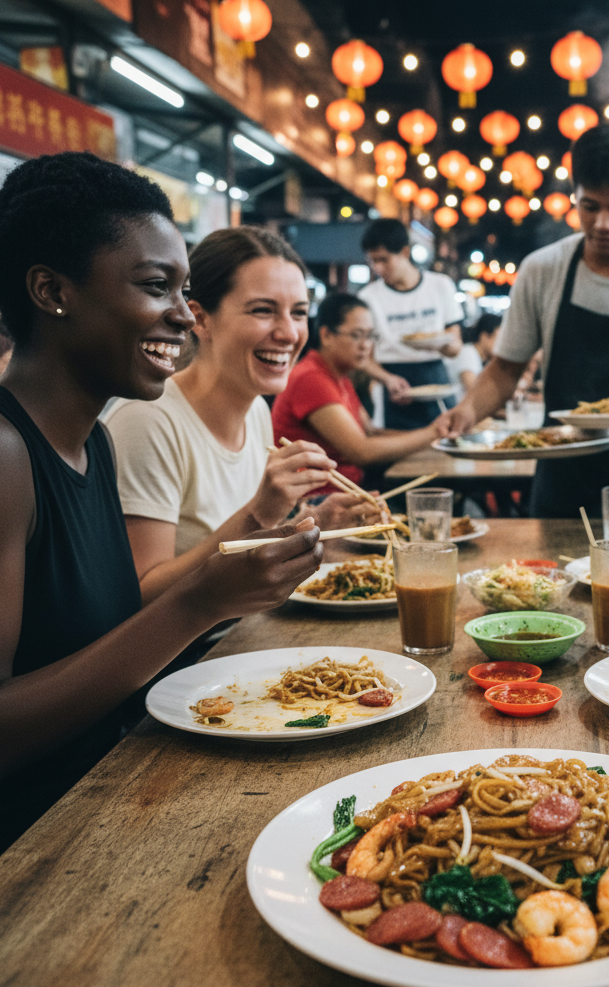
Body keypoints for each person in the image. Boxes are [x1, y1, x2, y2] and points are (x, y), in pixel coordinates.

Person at [0, 153, 323, 850]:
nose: (183, 316)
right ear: (52, 291)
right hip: (40, 846)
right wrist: (200, 600)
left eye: (184, 292)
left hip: (121, 786)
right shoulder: (7, 455)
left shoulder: (96, 442)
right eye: (156, 287)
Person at [438, 123, 609, 517]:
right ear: (575, 196)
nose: (603, 223)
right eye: (590, 206)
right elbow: (505, 370)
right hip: (559, 474)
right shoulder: (543, 270)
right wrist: (466, 411)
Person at [105, 227, 373, 605]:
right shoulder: (148, 420)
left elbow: (246, 556)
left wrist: (309, 528)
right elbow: (142, 595)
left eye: (298, 313)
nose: (289, 333)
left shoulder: (256, 412)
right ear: (200, 319)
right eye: (263, 310)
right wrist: (258, 516)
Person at [272, 292, 444, 486]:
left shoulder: (339, 375)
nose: (365, 346)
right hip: (317, 500)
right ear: (326, 335)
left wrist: (437, 440)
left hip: (348, 490)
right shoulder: (310, 378)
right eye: (357, 335)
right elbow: (362, 452)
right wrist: (435, 433)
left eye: (370, 336)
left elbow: (371, 432)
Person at [358, 219, 464, 430]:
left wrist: (438, 343)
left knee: (446, 441)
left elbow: (455, 348)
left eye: (384, 260)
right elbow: (364, 359)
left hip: (435, 378)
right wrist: (387, 379)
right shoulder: (368, 297)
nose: (378, 268)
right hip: (394, 384)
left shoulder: (440, 286)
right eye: (373, 261)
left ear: (405, 252)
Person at [444, 311, 501, 399]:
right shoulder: (468, 353)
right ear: (484, 336)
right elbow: (475, 393)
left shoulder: (476, 356)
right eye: (499, 339)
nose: (502, 345)